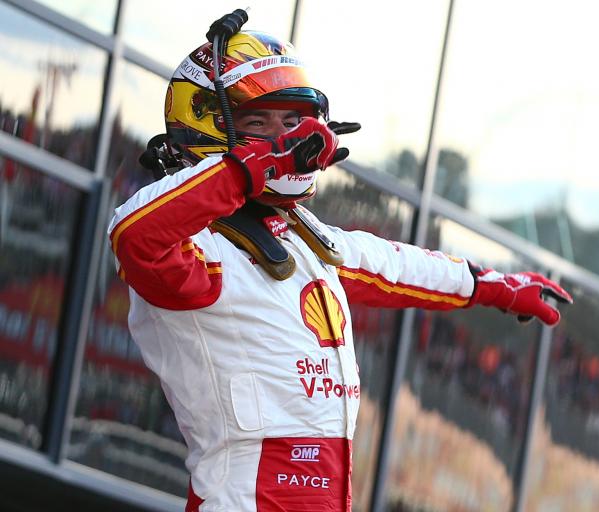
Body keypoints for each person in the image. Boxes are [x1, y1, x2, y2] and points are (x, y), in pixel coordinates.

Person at [108, 12, 572, 512]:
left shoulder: (307, 237)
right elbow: (135, 235)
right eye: (258, 124)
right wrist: (257, 164)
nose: (283, 139)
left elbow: (395, 264)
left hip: (327, 490)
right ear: (206, 127)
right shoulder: (194, 244)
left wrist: (495, 286)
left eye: (292, 124)